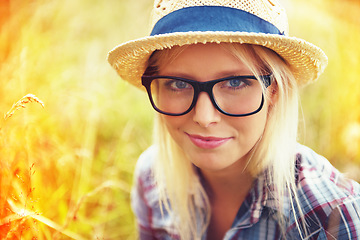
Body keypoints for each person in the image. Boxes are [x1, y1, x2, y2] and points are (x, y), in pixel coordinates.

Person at [107, 0, 360, 239]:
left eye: (235, 82)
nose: (204, 118)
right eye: (178, 83)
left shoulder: (329, 217)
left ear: (274, 90)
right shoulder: (152, 179)